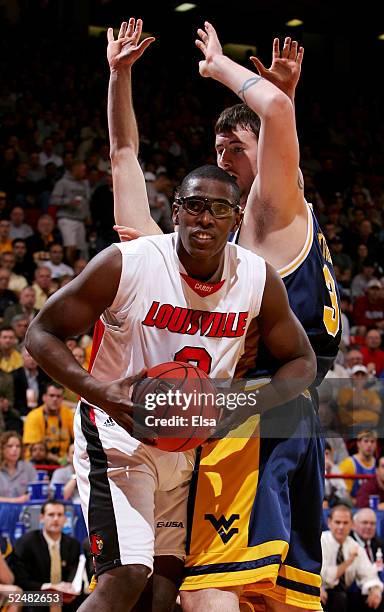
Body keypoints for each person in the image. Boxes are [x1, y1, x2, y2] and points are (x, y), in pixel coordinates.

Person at [107, 18, 341, 611]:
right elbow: (125, 163)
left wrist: (221, 69)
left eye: (234, 151)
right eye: (215, 153)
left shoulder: (267, 211)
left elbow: (277, 127)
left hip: (253, 413)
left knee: (208, 589)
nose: (222, 161)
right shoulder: (227, 252)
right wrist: (119, 80)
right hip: (284, 421)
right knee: (275, 598)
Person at [24, 160, 317, 612]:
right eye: (194, 206)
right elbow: (41, 333)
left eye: (219, 209)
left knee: (162, 592)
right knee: (126, 575)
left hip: (187, 445)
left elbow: (303, 363)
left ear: (237, 219)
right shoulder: (129, 263)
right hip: (119, 431)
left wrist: (241, 404)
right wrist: (101, 392)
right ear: (175, 211)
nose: (205, 219)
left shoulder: (257, 278)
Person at [11, 499, 80, 611]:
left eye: (60, 515)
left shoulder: (73, 544)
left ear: (65, 519)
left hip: (64, 597)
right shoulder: (26, 543)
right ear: (41, 518)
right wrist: (49, 587)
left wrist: (69, 587)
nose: (56, 519)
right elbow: (20, 580)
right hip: (35, 595)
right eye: (51, 515)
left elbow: (73, 575)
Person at [321, 505, 382, 611]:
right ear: (329, 522)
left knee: (375, 598)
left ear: (352, 525)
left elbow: (369, 574)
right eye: (337, 522)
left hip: (343, 594)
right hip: (320, 590)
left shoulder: (354, 546)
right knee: (339, 599)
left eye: (345, 523)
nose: (341, 527)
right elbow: (328, 578)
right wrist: (349, 561)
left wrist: (375, 590)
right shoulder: (321, 541)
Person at [22, 381, 74, 463]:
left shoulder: (68, 414)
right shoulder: (33, 416)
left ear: (62, 399)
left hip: (64, 462)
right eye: (51, 395)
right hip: (38, 463)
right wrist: (60, 460)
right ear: (44, 397)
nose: (55, 399)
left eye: (58, 396)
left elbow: (79, 439)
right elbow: (36, 450)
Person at [339, 429, 377, 500]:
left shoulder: (380, 464)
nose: (369, 444)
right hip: (354, 507)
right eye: (366, 441)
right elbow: (343, 492)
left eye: (372, 441)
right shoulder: (348, 464)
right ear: (358, 443)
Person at [0, 430, 36, 503]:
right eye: (10, 446)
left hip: (23, 511)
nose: (15, 449)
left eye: (18, 446)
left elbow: (34, 492)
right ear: (2, 449)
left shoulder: (28, 467)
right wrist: (15, 501)